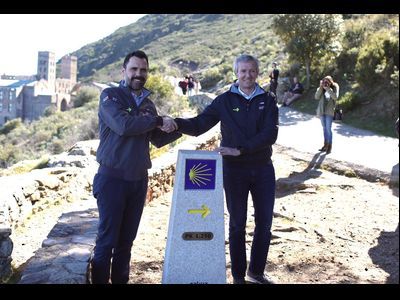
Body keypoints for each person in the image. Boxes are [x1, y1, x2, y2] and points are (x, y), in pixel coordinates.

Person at [168, 54, 279, 284]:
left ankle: (255, 273)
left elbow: (270, 134)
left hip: (263, 170)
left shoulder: (268, 99)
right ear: (236, 73)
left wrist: (241, 149)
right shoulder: (224, 101)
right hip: (234, 172)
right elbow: (199, 125)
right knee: (237, 224)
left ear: (257, 73)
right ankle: (239, 276)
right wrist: (176, 123)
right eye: (243, 71)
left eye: (251, 71)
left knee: (264, 223)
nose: (247, 75)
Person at [90, 50, 181, 284]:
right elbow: (123, 125)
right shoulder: (111, 96)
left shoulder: (148, 105)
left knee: (126, 243)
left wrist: (182, 125)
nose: (138, 74)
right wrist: (160, 120)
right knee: (107, 241)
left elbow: (157, 139)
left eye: (143, 70)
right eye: (134, 69)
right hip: (112, 180)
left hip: (138, 181)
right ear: (124, 71)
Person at [315, 75, 339, 154]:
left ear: (331, 81)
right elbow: (316, 97)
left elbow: (335, 97)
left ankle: (329, 146)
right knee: (324, 128)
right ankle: (325, 145)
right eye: (324, 81)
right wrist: (321, 87)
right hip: (322, 111)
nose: (325, 83)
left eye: (327, 81)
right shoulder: (321, 88)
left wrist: (328, 89)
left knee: (328, 129)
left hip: (329, 112)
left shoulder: (335, 87)